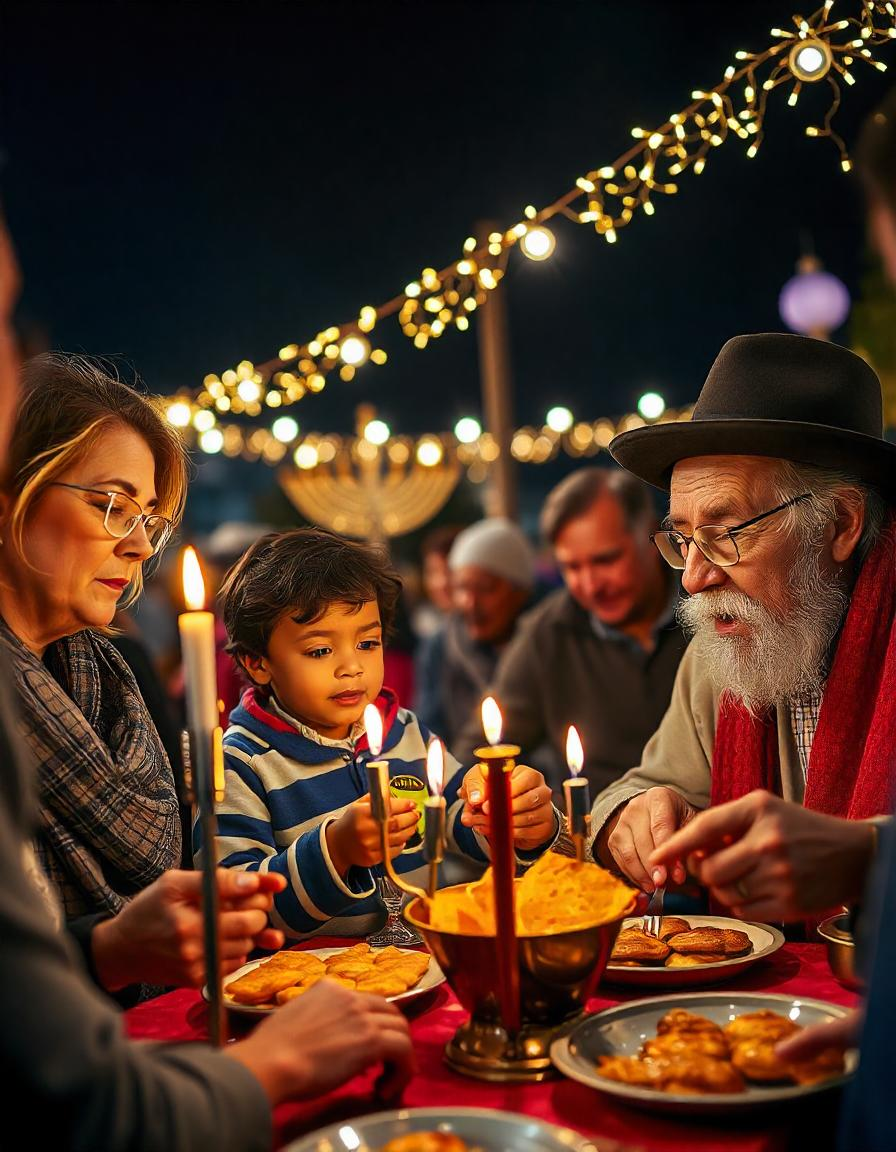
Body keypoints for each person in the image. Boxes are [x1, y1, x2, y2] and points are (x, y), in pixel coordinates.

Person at [0, 216, 415, 1149]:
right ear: (10, 487)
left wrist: (118, 947)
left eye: (148, 515)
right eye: (109, 503)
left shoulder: (114, 677)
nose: (136, 541)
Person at [587, 331, 894, 905]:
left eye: (727, 533)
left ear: (840, 525)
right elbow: (650, 785)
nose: (693, 577)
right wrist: (629, 818)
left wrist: (868, 858)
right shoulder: (723, 648)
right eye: (682, 538)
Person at [209, 527, 559, 939]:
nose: (351, 667)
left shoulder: (405, 732)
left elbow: (460, 818)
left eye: (368, 643)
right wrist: (336, 851)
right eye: (320, 650)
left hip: (421, 969)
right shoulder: (239, 765)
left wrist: (518, 823)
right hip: (311, 988)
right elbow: (238, 910)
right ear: (257, 663)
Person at [453, 469, 688, 794]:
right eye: (572, 568)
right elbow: (478, 752)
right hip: (595, 836)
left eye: (605, 560)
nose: (591, 586)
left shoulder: (710, 606)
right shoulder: (548, 633)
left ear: (650, 537)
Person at [416, 517, 537, 759]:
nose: (470, 603)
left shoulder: (543, 640)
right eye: (461, 588)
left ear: (519, 591)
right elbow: (429, 734)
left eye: (484, 588)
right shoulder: (441, 646)